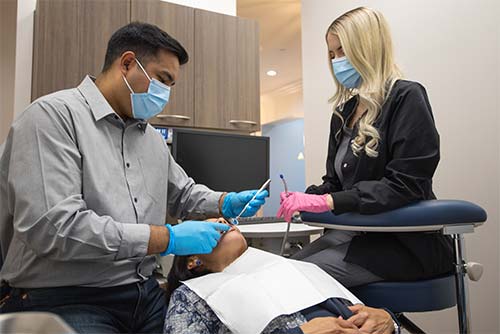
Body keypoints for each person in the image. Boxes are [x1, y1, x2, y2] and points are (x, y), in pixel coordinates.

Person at [0, 22, 267, 333]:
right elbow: (56, 229)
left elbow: (182, 194)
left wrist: (226, 202)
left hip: (145, 293)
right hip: (66, 298)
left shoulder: (150, 138)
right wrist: (167, 238)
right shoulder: (51, 119)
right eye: (162, 80)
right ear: (127, 63)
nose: (165, 95)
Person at [276, 7, 454, 287]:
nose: (336, 62)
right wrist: (306, 197)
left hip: (400, 244)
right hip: (352, 234)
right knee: (278, 272)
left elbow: (406, 185)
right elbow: (335, 183)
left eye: (342, 52)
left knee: (293, 282)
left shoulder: (406, 97)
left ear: (367, 49)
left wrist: (329, 202)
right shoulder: (343, 113)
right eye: (332, 55)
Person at [164, 219, 399, 334]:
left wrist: (389, 320)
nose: (223, 221)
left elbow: (367, 314)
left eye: (223, 219)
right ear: (193, 261)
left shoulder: (291, 267)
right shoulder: (191, 298)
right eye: (210, 226)